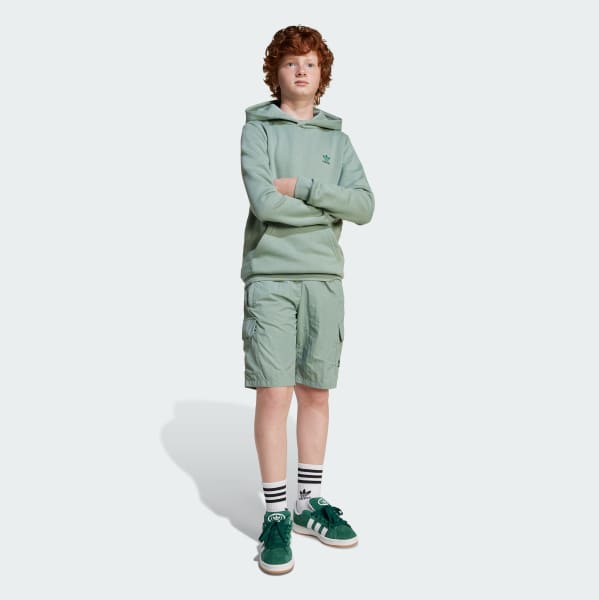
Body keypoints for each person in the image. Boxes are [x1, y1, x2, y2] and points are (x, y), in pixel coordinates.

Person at [239, 24, 375, 575]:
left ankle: (306, 504)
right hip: (272, 278)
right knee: (274, 393)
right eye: (292, 62)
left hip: (324, 279)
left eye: (311, 63)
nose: (302, 70)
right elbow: (264, 203)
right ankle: (276, 511)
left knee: (316, 392)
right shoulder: (257, 131)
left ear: (323, 75)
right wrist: (325, 211)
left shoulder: (338, 142)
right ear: (275, 72)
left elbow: (364, 207)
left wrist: (305, 188)